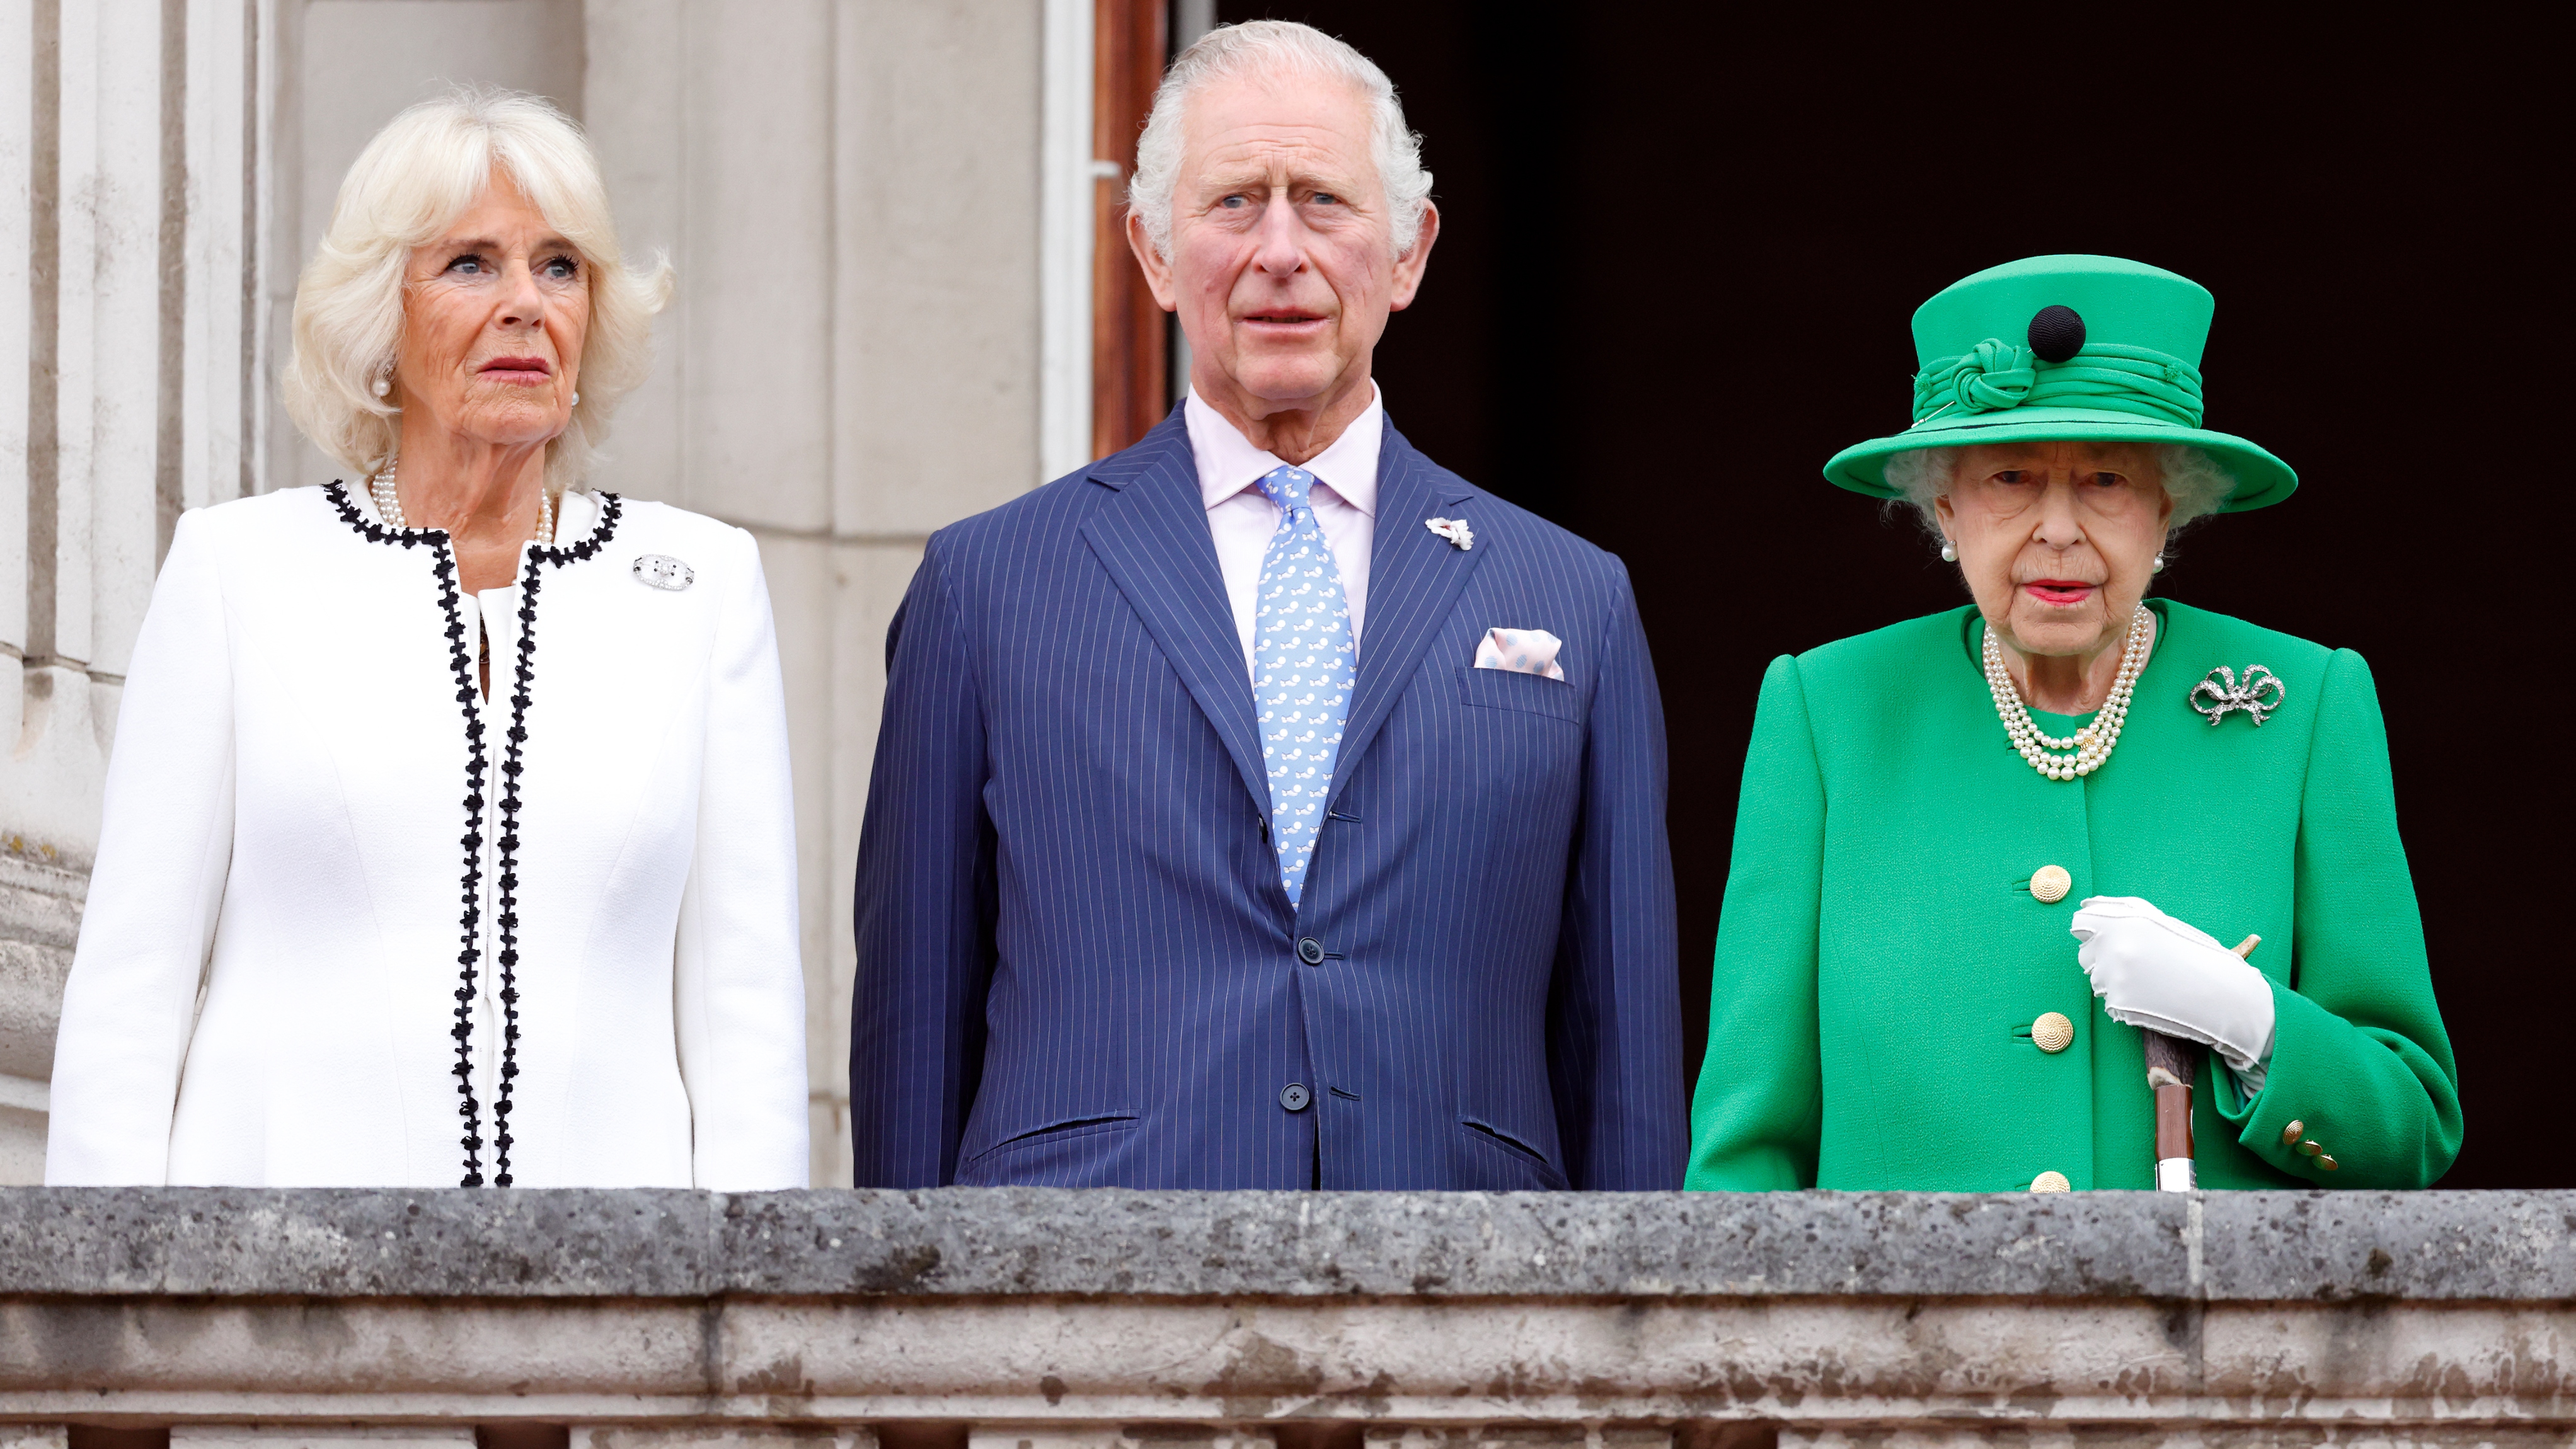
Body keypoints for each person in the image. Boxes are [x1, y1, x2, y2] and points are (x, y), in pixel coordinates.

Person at [849, 21, 1684, 1189]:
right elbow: (911, 1033)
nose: (1279, 249)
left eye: (1325, 201)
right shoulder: (985, 587)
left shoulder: (1572, 598)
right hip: (1076, 1297)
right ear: (1151, 253)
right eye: (1235, 201)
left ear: (1408, 252)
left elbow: (1624, 1056)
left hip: (1468, 1294)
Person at [43, 89, 809, 1189]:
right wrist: (100, 1327)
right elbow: (130, 992)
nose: (524, 306)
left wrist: (753, 1323)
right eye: (470, 265)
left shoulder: (701, 588)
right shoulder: (239, 572)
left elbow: (747, 1017)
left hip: (607, 1304)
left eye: (559, 267)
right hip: (274, 1293)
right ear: (379, 320)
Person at [1688, 255, 2461, 1192]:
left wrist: (2254, 1024)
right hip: (1899, 1332)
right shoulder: (1829, 711)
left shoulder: (2303, 705)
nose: (2059, 529)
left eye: (2105, 481)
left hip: (2211, 1331)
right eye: (2011, 477)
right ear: (1946, 508)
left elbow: (2412, 1130)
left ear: (2169, 508)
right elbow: (1748, 1151)